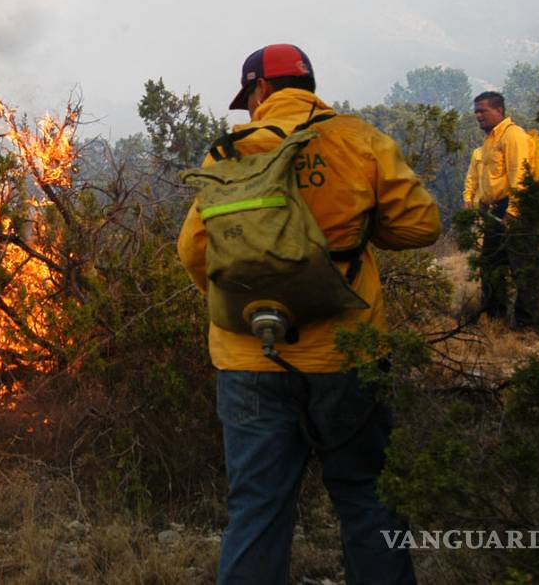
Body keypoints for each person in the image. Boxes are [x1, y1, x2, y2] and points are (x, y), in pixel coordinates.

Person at [177, 44, 440, 585]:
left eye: (249, 97)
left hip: (251, 358)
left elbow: (194, 251)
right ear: (310, 86)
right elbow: (421, 226)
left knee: (257, 507)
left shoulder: (229, 153)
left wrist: (242, 300)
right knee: (367, 495)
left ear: (261, 91)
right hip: (350, 354)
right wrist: (358, 237)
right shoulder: (359, 139)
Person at [470, 91, 539, 328]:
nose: (478, 115)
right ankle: (494, 321)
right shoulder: (491, 139)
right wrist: (483, 201)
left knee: (523, 268)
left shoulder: (514, 135)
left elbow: (519, 173)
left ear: (499, 110)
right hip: (495, 209)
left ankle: (526, 324)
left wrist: (513, 211)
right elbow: (490, 176)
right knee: (491, 266)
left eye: (483, 110)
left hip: (513, 209)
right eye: (476, 111)